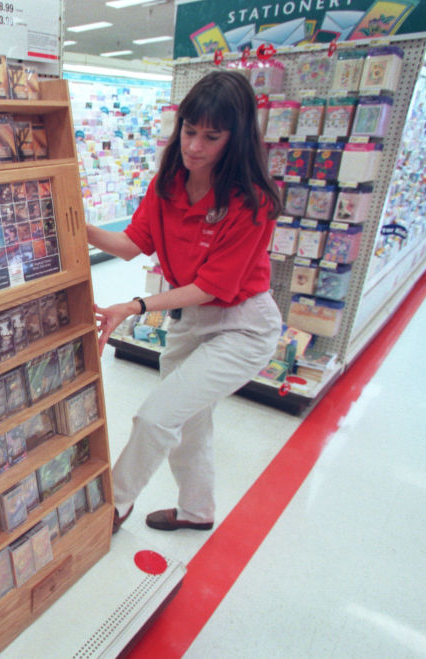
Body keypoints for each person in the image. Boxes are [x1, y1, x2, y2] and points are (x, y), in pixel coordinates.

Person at [87, 70, 283, 534]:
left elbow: (212, 287)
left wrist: (133, 306)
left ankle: (114, 505)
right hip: (189, 322)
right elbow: (133, 244)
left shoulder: (253, 202)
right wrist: (73, 223)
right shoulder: (168, 184)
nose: (194, 146)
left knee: (155, 416)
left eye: (210, 136)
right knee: (190, 423)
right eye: (189, 131)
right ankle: (198, 511)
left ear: (234, 140)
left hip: (242, 326)